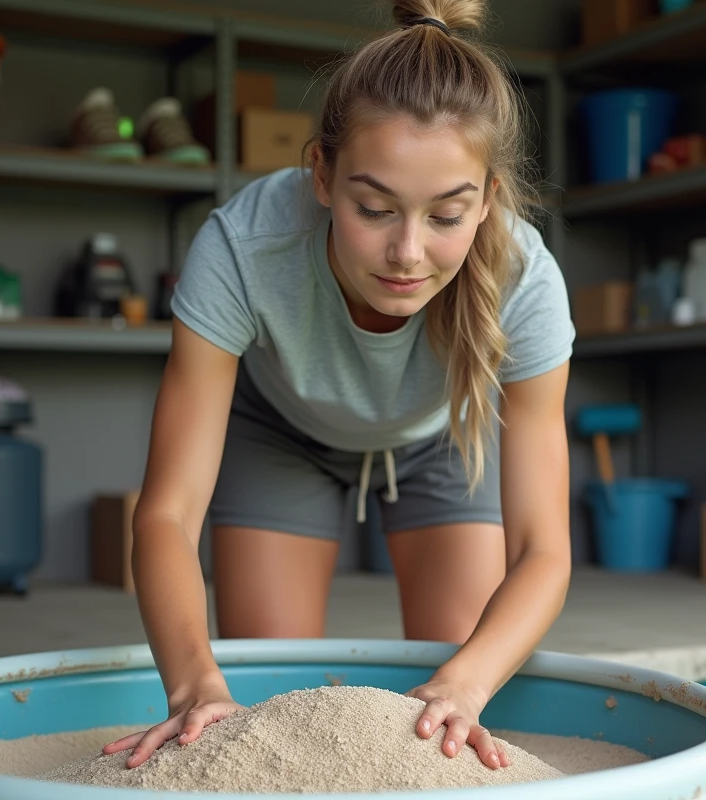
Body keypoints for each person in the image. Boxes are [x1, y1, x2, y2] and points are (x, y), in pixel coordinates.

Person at [104, 0, 575, 773]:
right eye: (374, 207)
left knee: (455, 712)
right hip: (280, 434)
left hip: (440, 441)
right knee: (266, 715)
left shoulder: (527, 281)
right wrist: (193, 684)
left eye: (447, 215)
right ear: (320, 175)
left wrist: (466, 678)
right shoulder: (244, 246)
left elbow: (543, 550)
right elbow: (165, 515)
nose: (407, 252)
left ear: (487, 198)